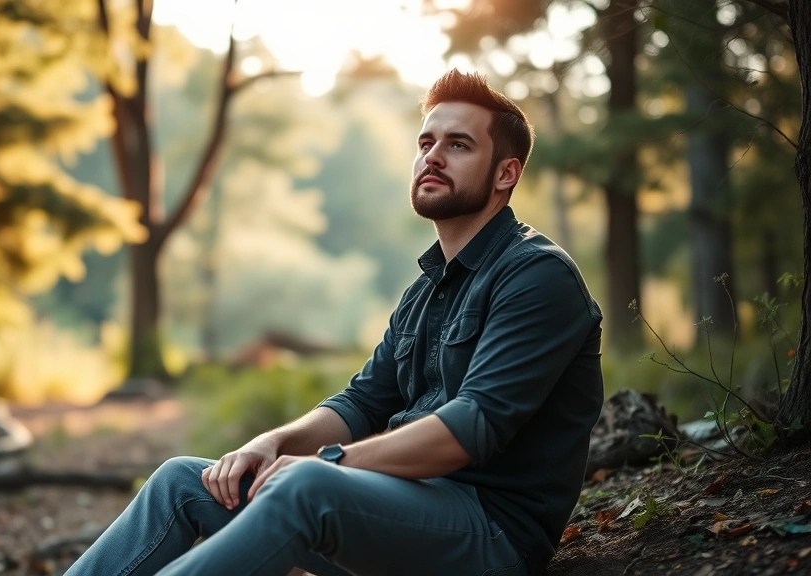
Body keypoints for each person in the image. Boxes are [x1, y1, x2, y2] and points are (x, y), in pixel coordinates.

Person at [64, 70, 604, 576]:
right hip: (394, 508)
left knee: (310, 487)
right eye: (425, 143)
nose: (433, 157)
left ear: (506, 173)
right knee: (183, 481)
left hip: (489, 536)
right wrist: (270, 445)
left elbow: (471, 427)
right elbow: (361, 402)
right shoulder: (426, 289)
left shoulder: (538, 276)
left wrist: (328, 464)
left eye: (458, 145)